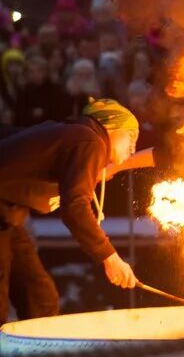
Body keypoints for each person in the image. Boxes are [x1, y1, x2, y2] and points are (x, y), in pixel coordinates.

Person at [0, 98, 142, 322]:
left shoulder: (73, 135)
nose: (133, 148)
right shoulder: (90, 141)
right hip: (4, 212)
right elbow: (75, 206)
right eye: (131, 136)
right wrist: (110, 258)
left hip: (9, 216)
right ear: (110, 126)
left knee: (40, 299)